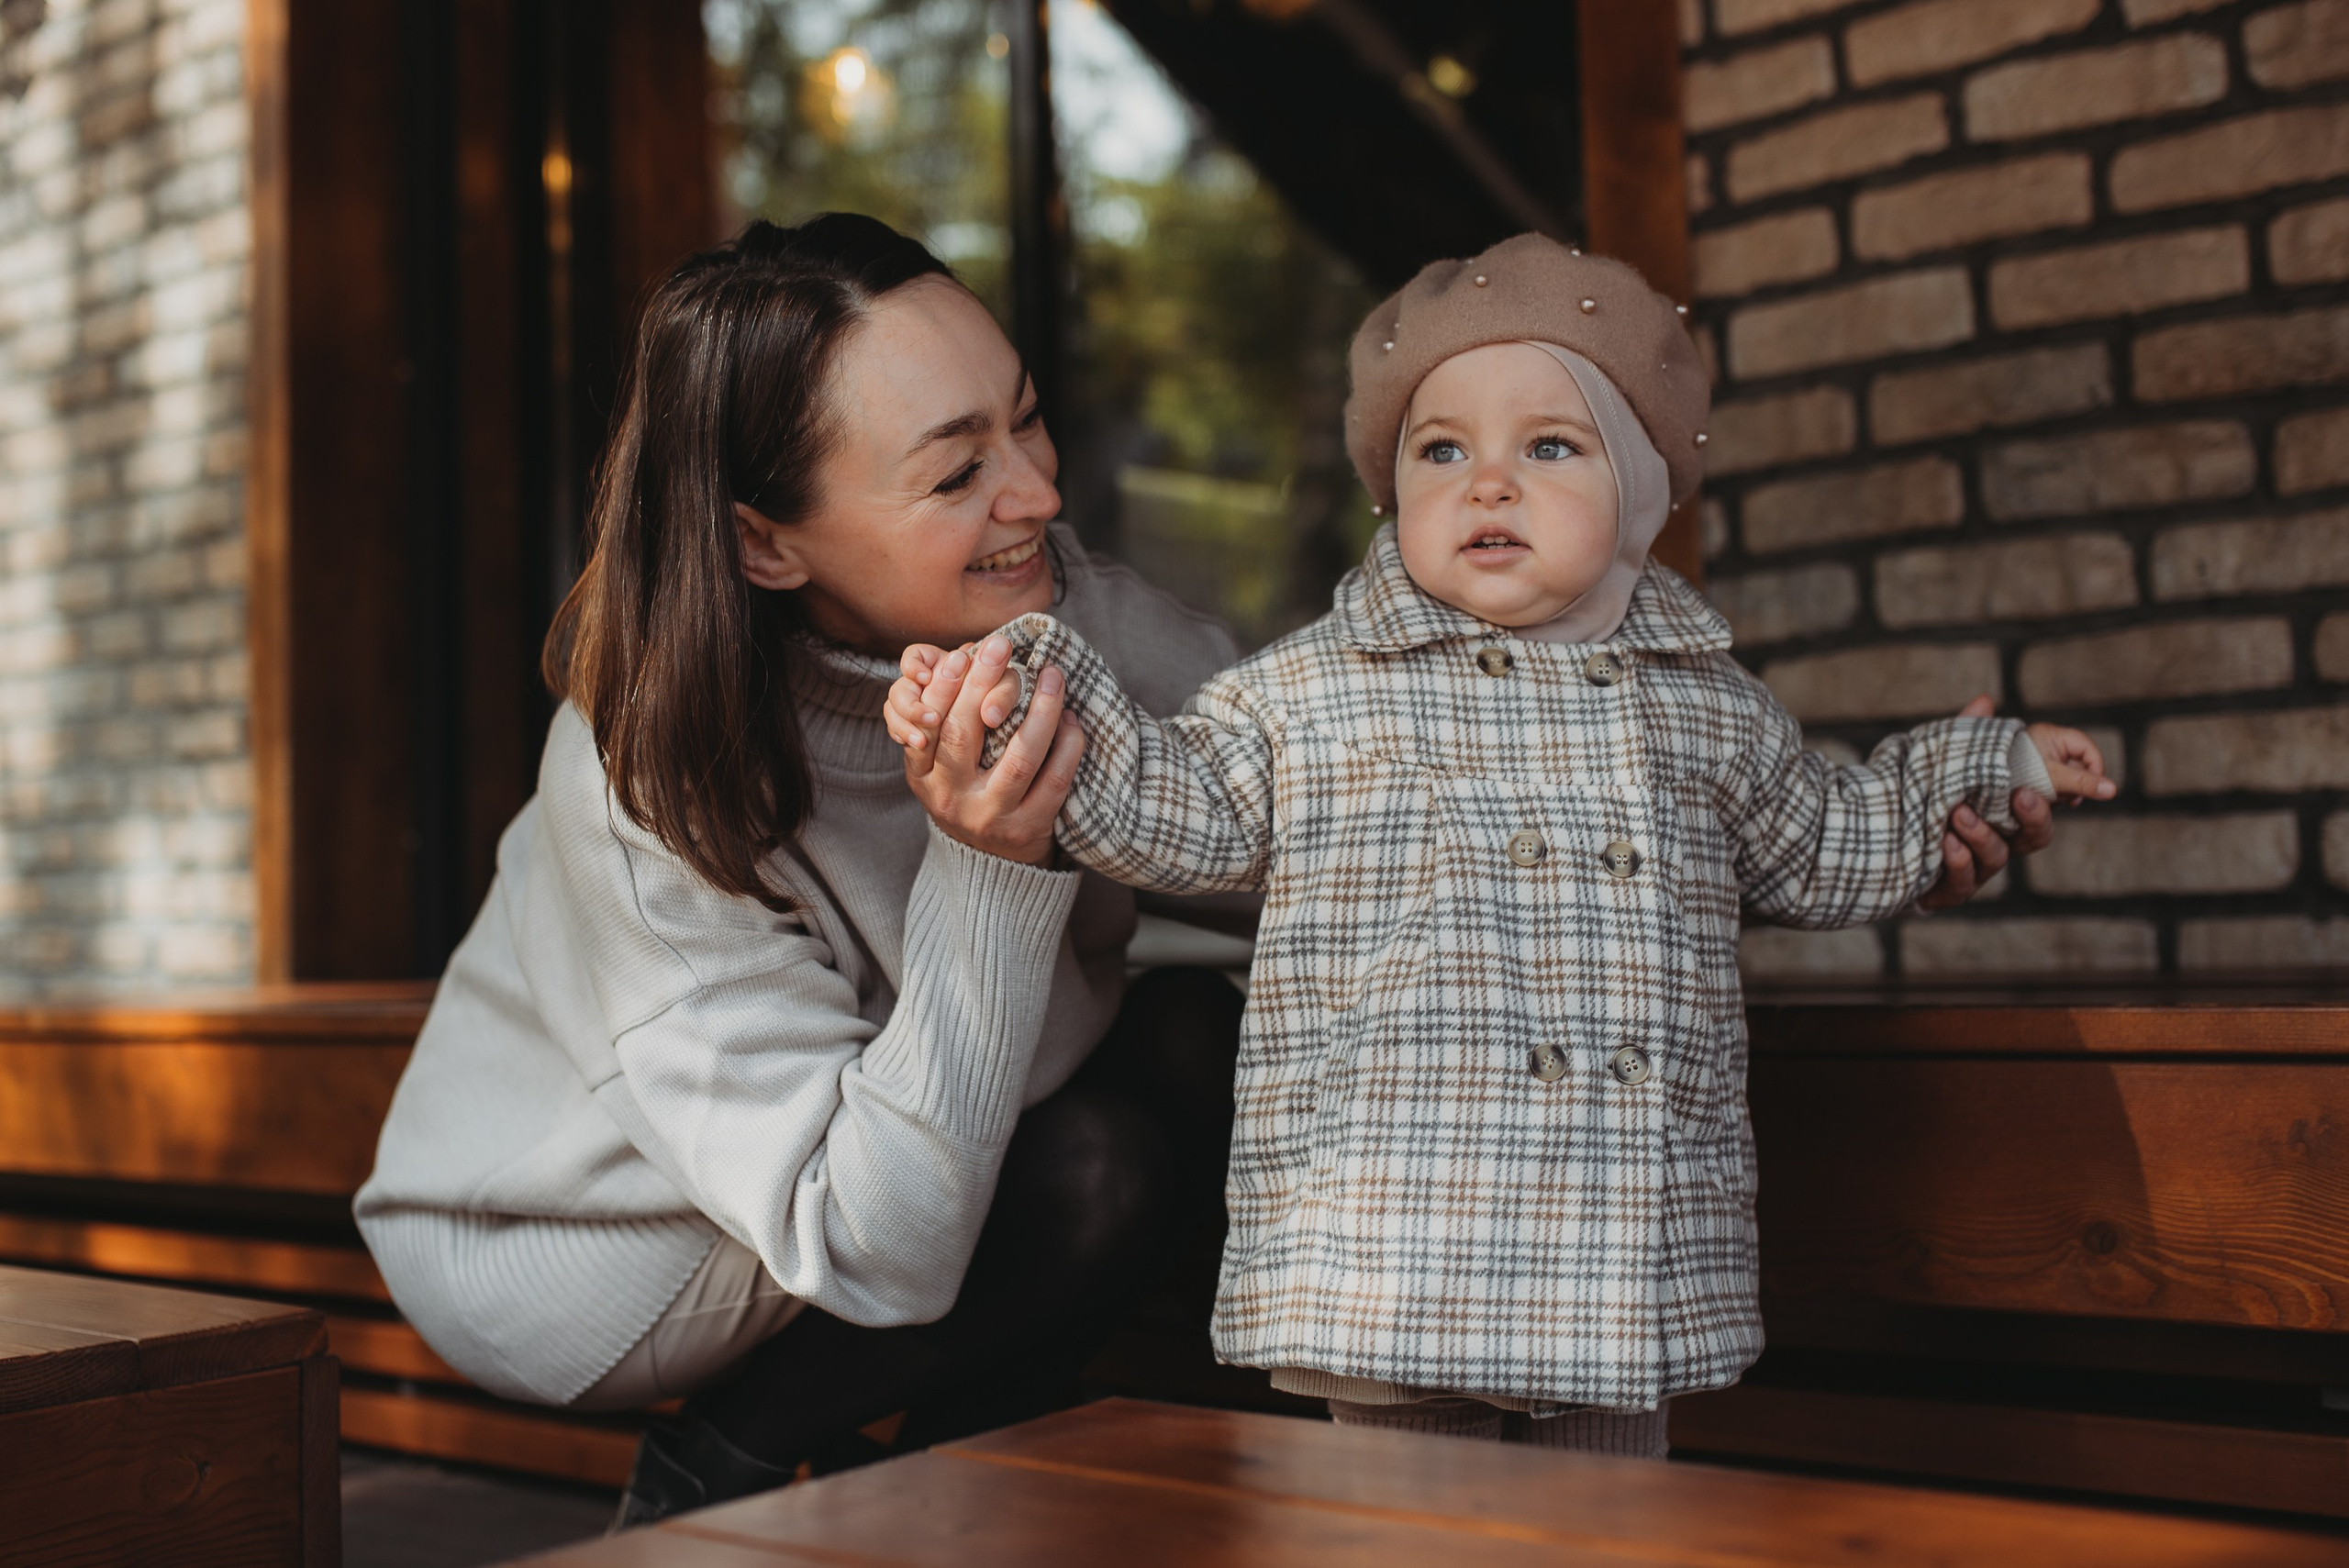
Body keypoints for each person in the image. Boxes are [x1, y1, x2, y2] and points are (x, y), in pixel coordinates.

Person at [886, 232, 2113, 1457]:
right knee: (1392, 1527)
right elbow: (1178, 802)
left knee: (1608, 1527)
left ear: (1638, 490)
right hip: (1396, 1245)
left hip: (1621, 1248)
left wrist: (1978, 771)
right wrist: (1017, 689)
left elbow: (1831, 836)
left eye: (1548, 446)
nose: (1488, 482)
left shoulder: (1704, 704)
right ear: (1397, 491)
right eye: (1442, 449)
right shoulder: (1317, 694)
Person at [352, 214, 1246, 1527]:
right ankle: (719, 1459)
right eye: (955, 476)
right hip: (595, 1247)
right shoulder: (636, 778)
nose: (1039, 494)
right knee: (1096, 1167)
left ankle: (932, 1496)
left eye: (1028, 418)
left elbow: (1301, 826)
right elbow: (872, 1242)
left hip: (907, 1157)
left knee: (1193, 1036)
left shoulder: (1050, 603)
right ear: (767, 542)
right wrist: (992, 861)